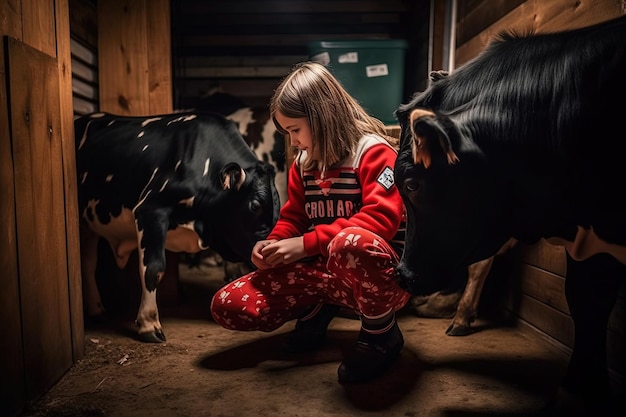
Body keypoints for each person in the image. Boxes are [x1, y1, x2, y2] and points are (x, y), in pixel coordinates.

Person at [210, 61, 410, 384]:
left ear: (322, 117)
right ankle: (317, 309)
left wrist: (303, 245)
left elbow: (379, 221)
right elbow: (294, 216)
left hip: (381, 282)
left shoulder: (373, 153)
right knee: (227, 304)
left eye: (295, 130)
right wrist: (274, 243)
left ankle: (380, 334)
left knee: (351, 244)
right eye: (287, 133)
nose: (293, 142)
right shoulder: (304, 164)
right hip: (324, 275)